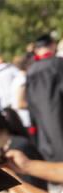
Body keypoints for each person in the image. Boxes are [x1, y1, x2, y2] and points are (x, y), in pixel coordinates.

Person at [26, 34, 63, 164]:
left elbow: (30, 106)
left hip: (46, 134)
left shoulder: (30, 72)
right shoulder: (59, 64)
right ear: (52, 45)